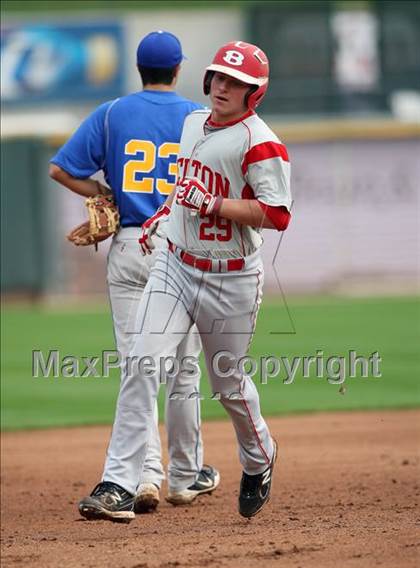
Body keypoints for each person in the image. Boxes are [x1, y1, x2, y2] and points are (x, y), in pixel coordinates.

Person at [79, 39, 292, 521]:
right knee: (141, 363)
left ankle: (260, 458)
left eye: (235, 82)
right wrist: (163, 216)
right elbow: (184, 188)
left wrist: (213, 204)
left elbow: (276, 214)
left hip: (231, 279)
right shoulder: (193, 122)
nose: (222, 86)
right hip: (175, 265)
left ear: (253, 93)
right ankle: (119, 482)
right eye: (218, 76)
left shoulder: (260, 142)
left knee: (228, 385)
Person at [49, 30, 220, 523]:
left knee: (136, 366)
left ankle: (145, 474)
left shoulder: (111, 113)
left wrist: (102, 190)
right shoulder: (197, 118)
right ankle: (185, 478)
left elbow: (61, 168)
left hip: (129, 244)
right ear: (179, 70)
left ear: (140, 69)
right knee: (184, 367)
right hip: (182, 249)